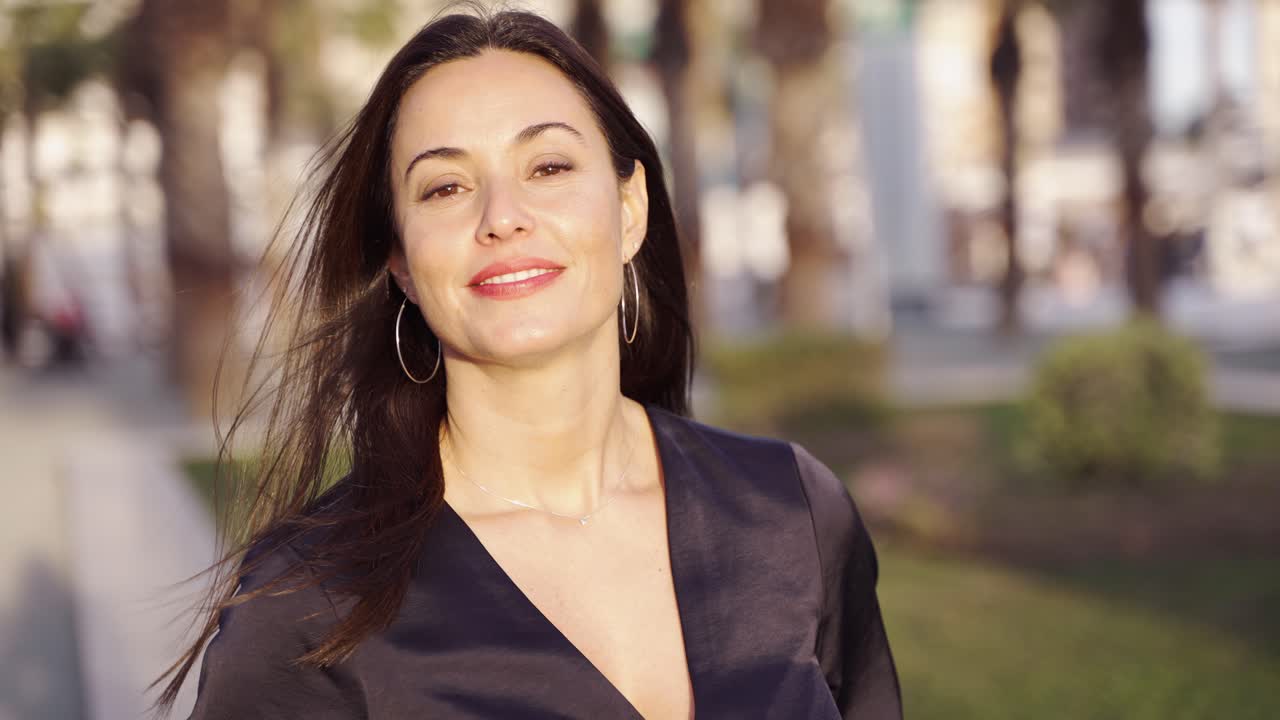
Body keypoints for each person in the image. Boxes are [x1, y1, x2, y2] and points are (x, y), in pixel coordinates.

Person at [160, 7, 901, 719]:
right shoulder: (308, 604)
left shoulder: (791, 512)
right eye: (445, 187)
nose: (502, 217)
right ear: (402, 265)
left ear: (631, 208)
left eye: (548, 166)